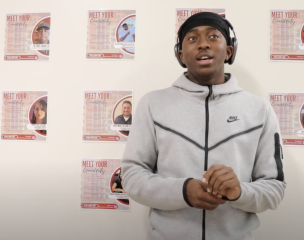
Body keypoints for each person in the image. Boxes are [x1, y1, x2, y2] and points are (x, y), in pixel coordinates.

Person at [121, 12, 285, 240]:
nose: (203, 44)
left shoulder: (259, 109)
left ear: (229, 51)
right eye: (192, 39)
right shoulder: (152, 104)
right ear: (181, 55)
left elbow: (274, 189)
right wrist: (183, 191)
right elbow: (132, 176)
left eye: (213, 36)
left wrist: (240, 191)